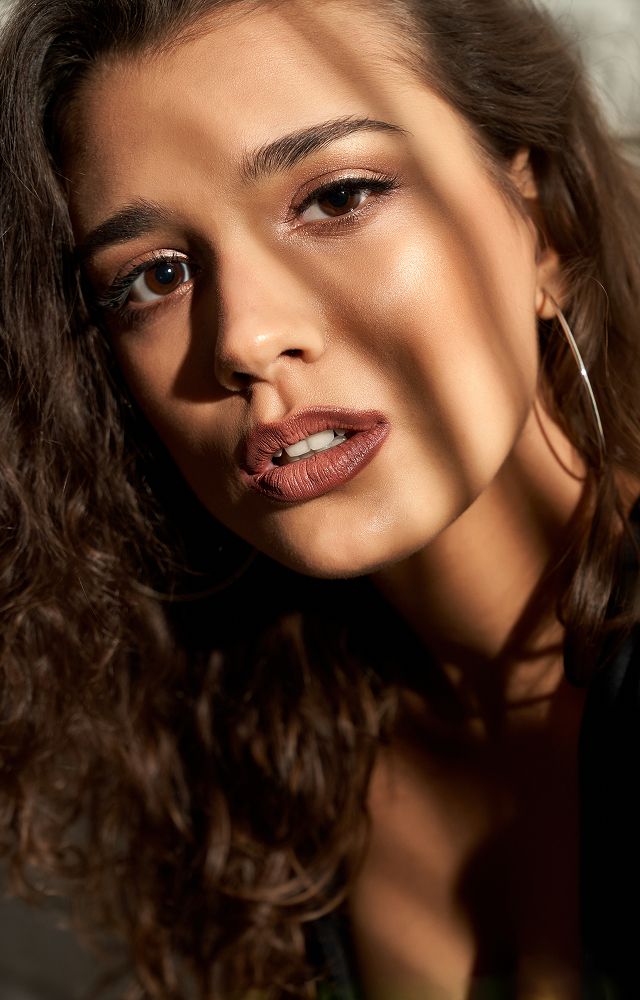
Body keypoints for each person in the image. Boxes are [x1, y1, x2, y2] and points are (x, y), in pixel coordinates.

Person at [1, 0, 640, 996]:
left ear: (542, 223)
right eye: (155, 277)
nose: (243, 338)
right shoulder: (250, 769)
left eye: (338, 197)